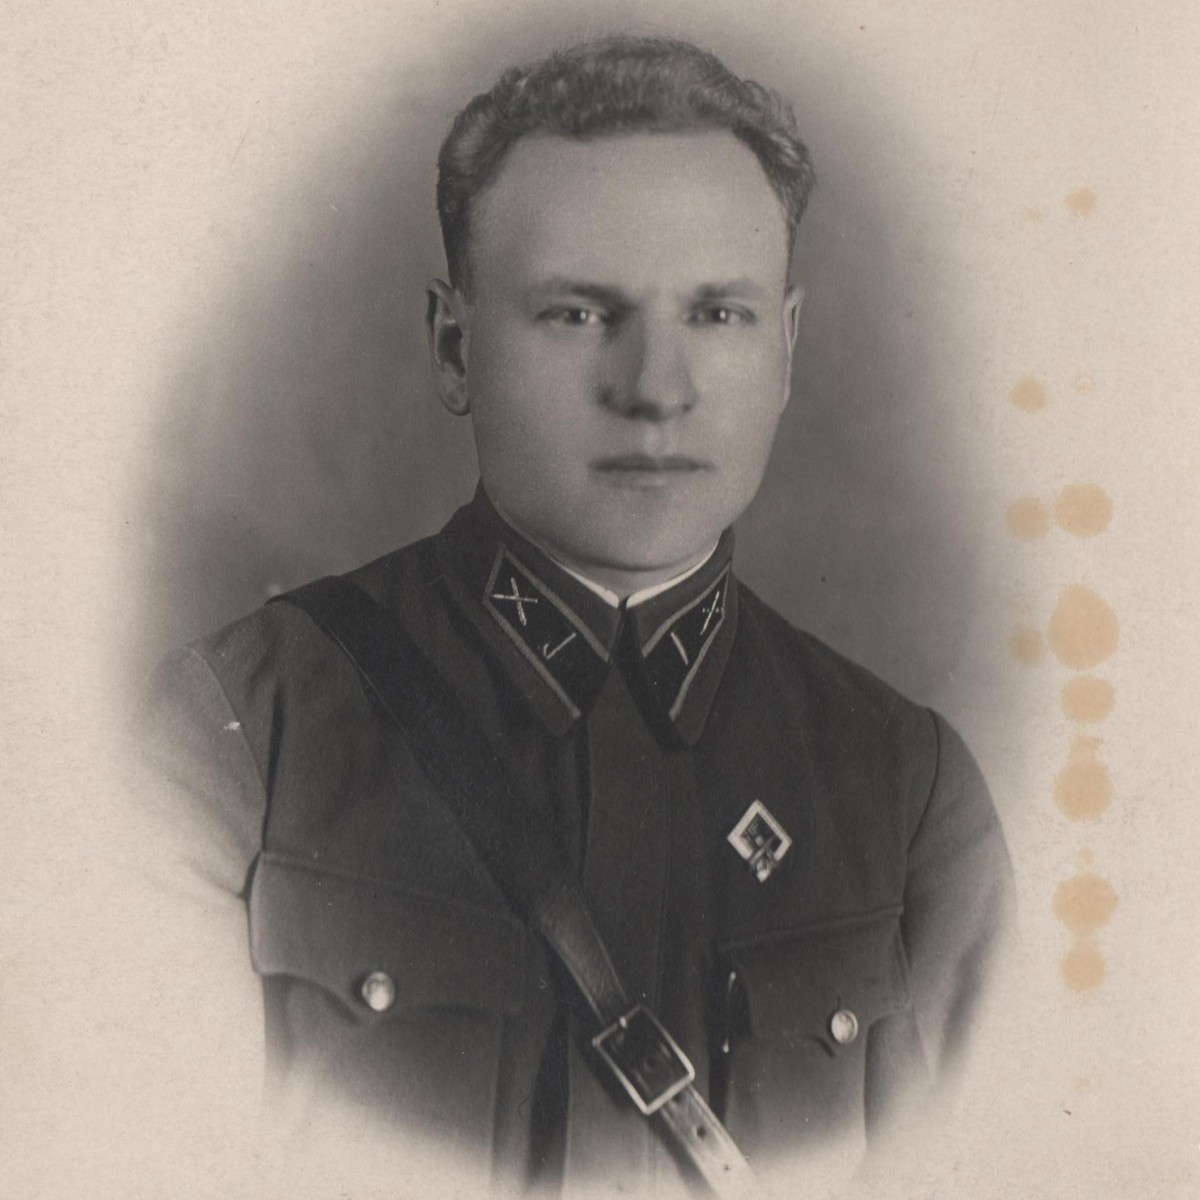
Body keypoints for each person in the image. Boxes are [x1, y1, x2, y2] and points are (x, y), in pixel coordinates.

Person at [139, 34, 1013, 1199]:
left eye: (718, 314)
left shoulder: (908, 794)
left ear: (787, 348)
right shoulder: (241, 736)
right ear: (456, 347)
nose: (655, 387)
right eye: (578, 314)